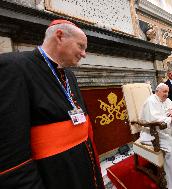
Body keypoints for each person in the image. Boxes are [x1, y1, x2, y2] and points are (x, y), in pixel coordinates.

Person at [0, 20, 105, 189]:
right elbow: (11, 157)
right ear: (60, 36)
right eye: (81, 46)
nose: (84, 54)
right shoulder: (14, 67)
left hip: (83, 168)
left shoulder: (69, 75)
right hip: (53, 176)